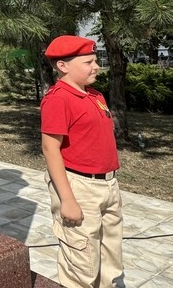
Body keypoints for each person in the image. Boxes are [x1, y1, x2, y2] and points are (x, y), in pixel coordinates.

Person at [40, 35, 123, 288]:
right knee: (82, 262)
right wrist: (67, 199)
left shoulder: (94, 95)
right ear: (63, 66)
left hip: (107, 184)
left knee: (110, 258)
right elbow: (50, 148)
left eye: (95, 60)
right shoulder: (58, 99)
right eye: (88, 62)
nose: (96, 66)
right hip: (79, 187)